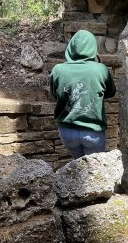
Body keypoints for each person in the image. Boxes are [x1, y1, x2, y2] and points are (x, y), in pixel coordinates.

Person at [49, 29, 116, 159]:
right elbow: (110, 93)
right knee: (95, 171)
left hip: (67, 132)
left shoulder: (57, 70)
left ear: (71, 48)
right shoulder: (100, 69)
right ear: (92, 48)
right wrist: (99, 64)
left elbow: (54, 95)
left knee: (78, 168)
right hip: (93, 133)